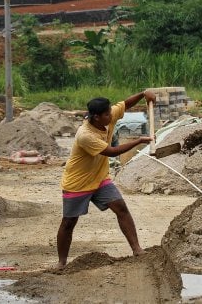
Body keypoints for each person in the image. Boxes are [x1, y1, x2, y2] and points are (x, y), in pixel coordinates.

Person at [56, 90, 156, 270]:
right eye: (107, 114)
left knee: (121, 208)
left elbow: (125, 104)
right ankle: (61, 263)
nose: (112, 115)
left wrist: (143, 94)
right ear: (96, 117)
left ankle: (137, 249)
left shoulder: (106, 117)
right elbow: (111, 152)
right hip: (77, 183)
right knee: (69, 222)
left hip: (100, 178)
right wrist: (140, 140)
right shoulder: (85, 135)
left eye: (110, 112)